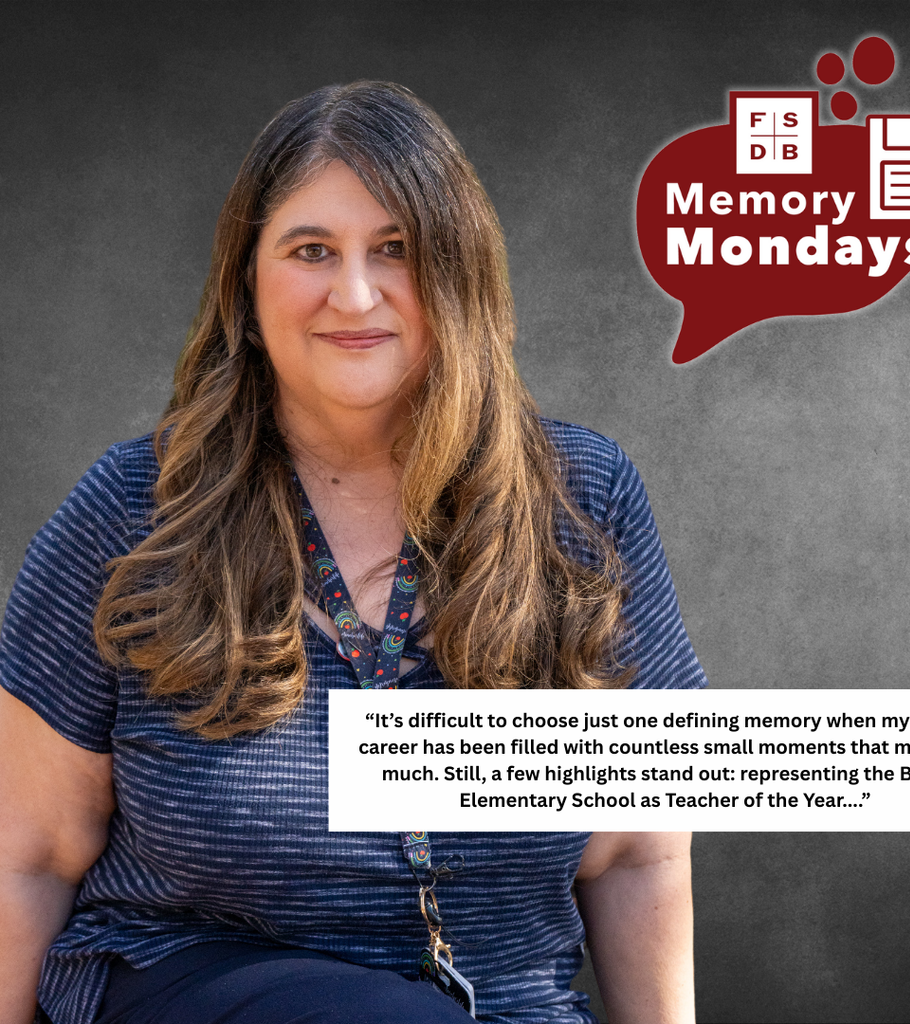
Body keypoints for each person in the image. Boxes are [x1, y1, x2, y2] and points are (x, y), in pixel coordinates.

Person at [0, 82, 706, 1024]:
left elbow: (634, 854)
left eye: (397, 249)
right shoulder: (134, 511)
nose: (356, 294)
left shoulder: (584, 500)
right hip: (195, 987)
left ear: (459, 274)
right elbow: (30, 856)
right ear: (246, 284)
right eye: (311, 251)